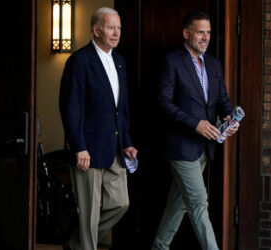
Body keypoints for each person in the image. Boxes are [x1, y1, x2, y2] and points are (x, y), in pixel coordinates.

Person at [152, 11, 239, 250]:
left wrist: (231, 117)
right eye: (200, 32)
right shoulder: (172, 62)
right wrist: (195, 123)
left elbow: (222, 99)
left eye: (208, 32)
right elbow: (163, 103)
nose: (205, 37)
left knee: (179, 202)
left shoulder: (213, 64)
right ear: (186, 33)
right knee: (199, 202)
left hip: (205, 148)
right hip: (180, 147)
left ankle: (159, 246)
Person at [59, 7, 138, 250]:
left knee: (121, 203)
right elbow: (71, 107)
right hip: (88, 149)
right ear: (96, 30)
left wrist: (127, 142)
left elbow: (120, 108)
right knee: (89, 215)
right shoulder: (79, 61)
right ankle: (84, 245)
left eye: (119, 28)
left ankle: (74, 243)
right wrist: (78, 146)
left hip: (114, 147)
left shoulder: (120, 62)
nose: (117, 33)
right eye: (111, 27)